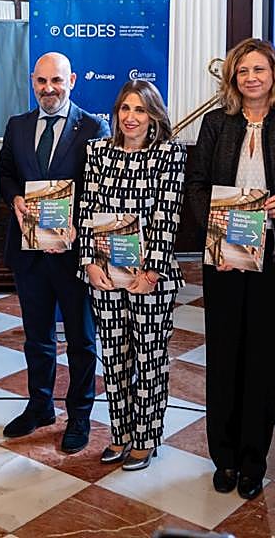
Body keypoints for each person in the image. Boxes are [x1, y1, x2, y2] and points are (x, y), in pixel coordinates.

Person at [184, 38, 275, 500]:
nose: (251, 78)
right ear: (233, 78)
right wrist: (216, 225)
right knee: (224, 356)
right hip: (224, 256)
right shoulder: (215, 125)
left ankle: (253, 461)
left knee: (263, 360)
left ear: (274, 76)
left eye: (259, 70)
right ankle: (223, 457)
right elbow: (197, 184)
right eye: (242, 71)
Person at [0, 52, 109, 453]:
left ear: (72, 80)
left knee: (81, 338)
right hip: (29, 251)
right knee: (37, 337)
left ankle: (79, 415)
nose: (49, 89)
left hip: (74, 253)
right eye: (41, 81)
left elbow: (103, 187)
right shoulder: (17, 125)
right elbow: (5, 172)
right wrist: (14, 200)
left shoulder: (95, 127)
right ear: (32, 81)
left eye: (57, 81)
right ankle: (40, 405)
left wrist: (81, 219)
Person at [77, 80, 186, 471]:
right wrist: (88, 262)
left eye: (140, 110)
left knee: (150, 357)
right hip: (104, 274)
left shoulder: (169, 154)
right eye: (125, 108)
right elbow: (87, 210)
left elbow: (167, 216)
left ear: (153, 115)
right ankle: (121, 433)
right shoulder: (97, 151)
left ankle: (146, 437)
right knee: (115, 359)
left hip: (148, 277)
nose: (131, 117)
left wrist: (152, 271)